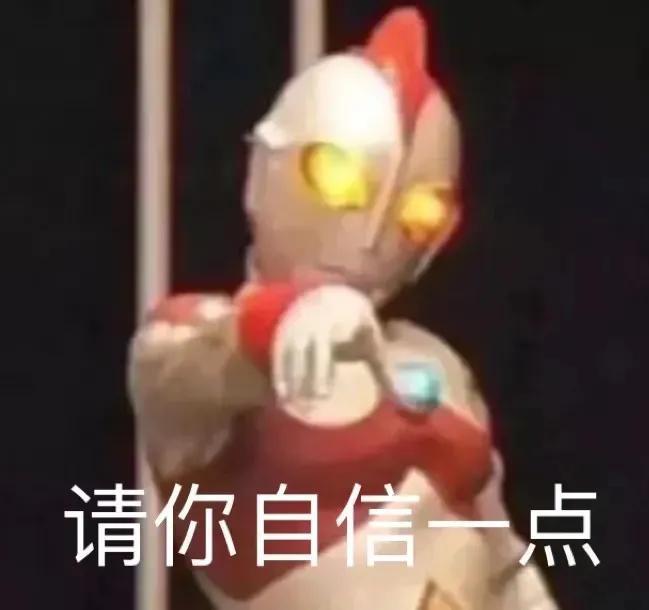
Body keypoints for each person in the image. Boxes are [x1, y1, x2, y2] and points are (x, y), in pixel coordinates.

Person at [129, 8, 558, 610]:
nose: (373, 235)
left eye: (418, 213)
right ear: (260, 175)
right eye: (336, 178)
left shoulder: (437, 364)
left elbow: (505, 558)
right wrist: (279, 326)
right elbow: (189, 379)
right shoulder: (190, 338)